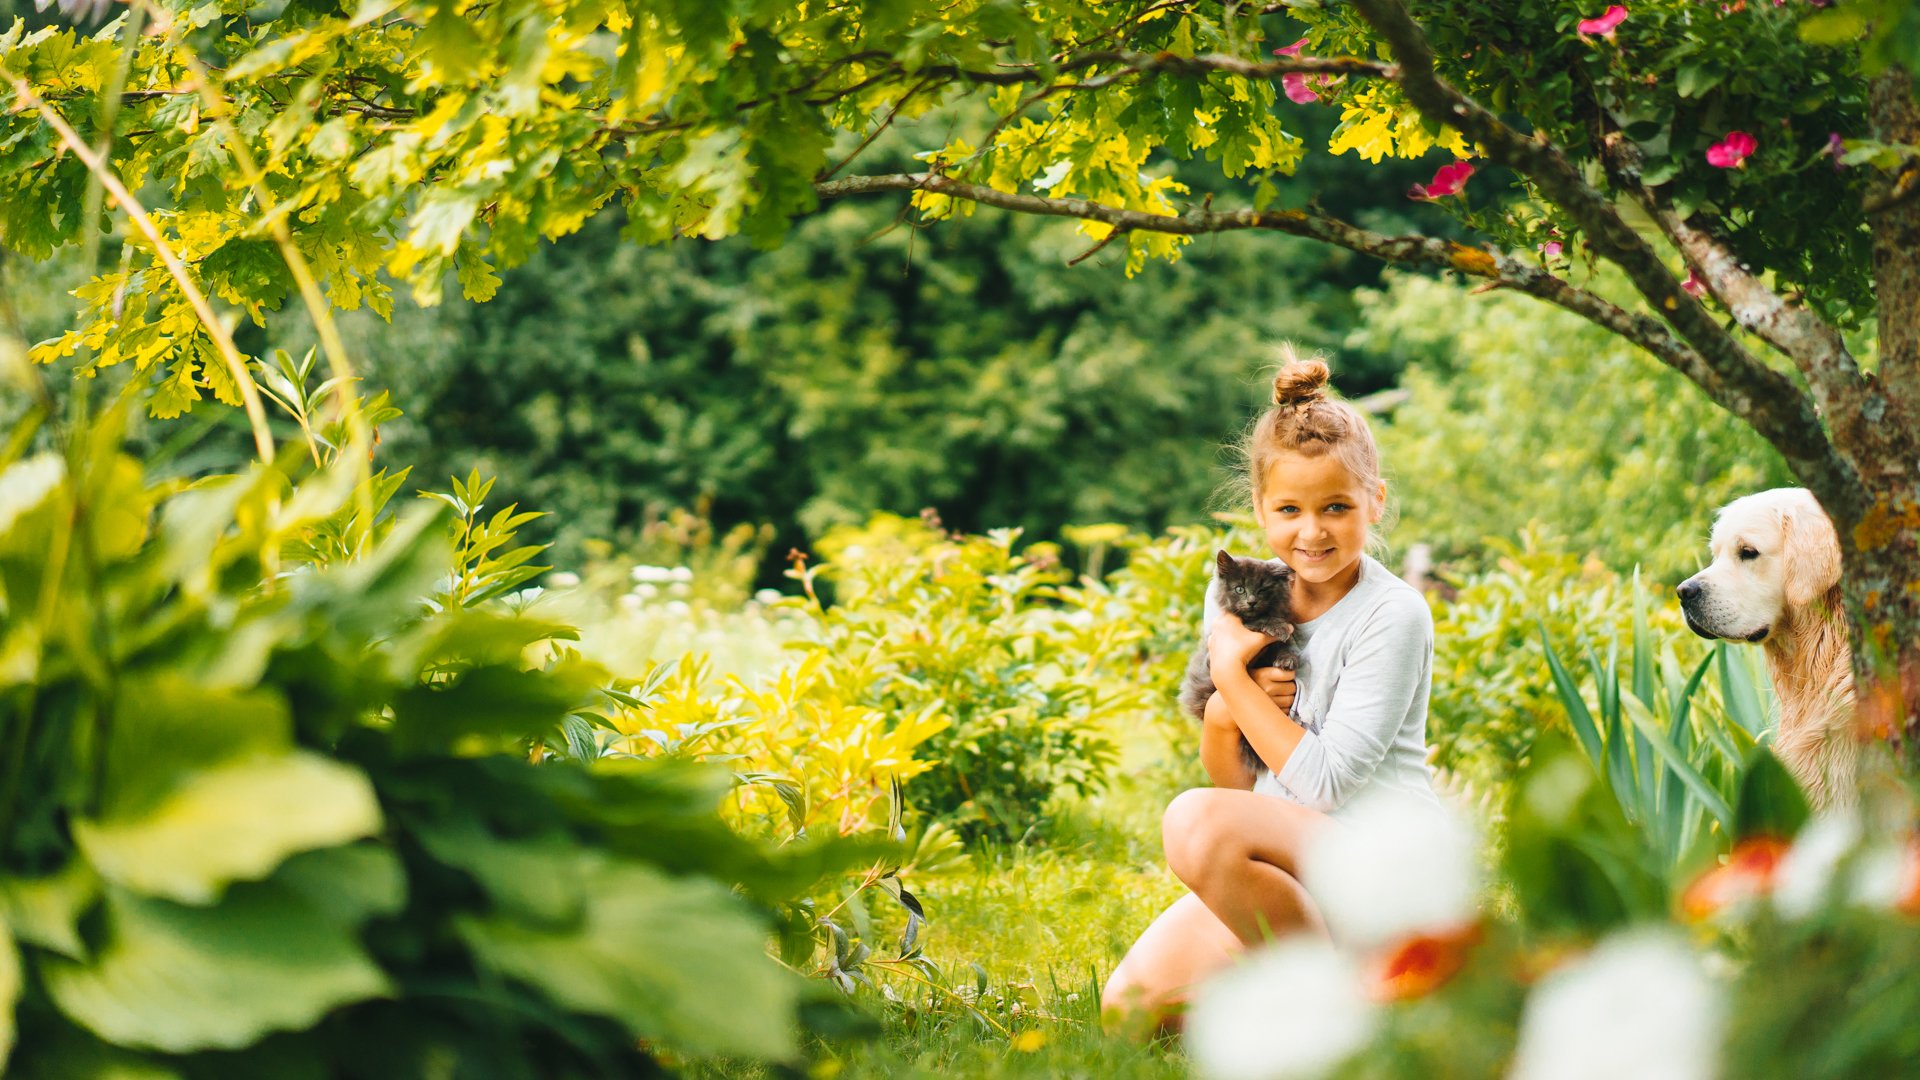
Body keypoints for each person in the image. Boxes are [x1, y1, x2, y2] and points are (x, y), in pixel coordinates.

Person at [1101, 351, 1440, 1026]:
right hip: (1292, 869)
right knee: (1129, 1014)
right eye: (1289, 509)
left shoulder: (1392, 614)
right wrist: (1222, 716)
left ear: (1375, 501)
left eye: (1336, 507)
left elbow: (1326, 787)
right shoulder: (1237, 591)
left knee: (1192, 821)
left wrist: (1231, 676)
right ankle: (1339, 979)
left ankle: (1339, 1014)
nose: (1312, 531)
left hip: (1382, 865)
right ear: (1260, 509)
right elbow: (1237, 786)